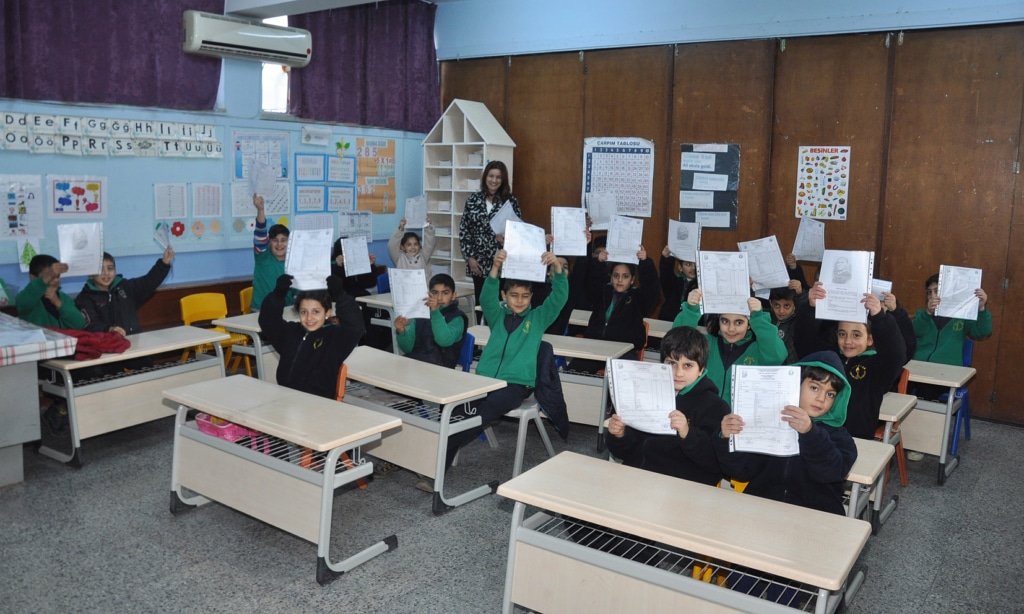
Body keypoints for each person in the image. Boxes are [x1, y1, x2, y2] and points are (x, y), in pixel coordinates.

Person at [444, 248, 567, 469]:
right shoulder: (496, 315)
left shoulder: (537, 319)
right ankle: (440, 459)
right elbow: (486, 298)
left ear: (531, 297)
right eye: (514, 295)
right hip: (486, 380)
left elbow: (559, 298)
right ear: (504, 295)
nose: (519, 300)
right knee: (458, 411)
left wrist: (557, 268)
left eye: (525, 296)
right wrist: (495, 267)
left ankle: (444, 446)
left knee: (483, 412)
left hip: (516, 385)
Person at [717, 350, 858, 516]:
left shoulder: (840, 438)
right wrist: (726, 438)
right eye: (814, 388)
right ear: (795, 384)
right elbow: (740, 471)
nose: (821, 398)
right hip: (763, 509)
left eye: (830, 394)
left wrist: (810, 433)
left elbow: (831, 472)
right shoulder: (768, 422)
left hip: (815, 515)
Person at [606, 326, 729, 485]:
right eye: (671, 363)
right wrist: (619, 435)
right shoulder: (645, 394)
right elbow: (624, 452)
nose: (678, 373)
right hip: (638, 477)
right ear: (662, 364)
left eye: (688, 365)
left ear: (701, 369)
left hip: (680, 486)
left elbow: (715, 464)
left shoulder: (716, 407)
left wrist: (687, 433)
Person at [795, 282, 906, 440]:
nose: (848, 341)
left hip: (857, 438)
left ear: (869, 339)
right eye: (842, 334)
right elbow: (803, 342)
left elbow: (896, 354)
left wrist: (879, 317)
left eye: (856, 335)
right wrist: (810, 308)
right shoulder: (828, 358)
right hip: (817, 432)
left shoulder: (878, 366)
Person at [258, 273, 364, 400]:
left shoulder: (334, 338)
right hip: (286, 398)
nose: (309, 318)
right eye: (304, 312)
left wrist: (340, 295)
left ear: (327, 313)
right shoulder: (290, 332)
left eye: (316, 312)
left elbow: (355, 327)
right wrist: (278, 294)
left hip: (317, 403)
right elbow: (268, 321)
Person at [672, 288, 788, 404]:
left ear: (749, 324)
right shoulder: (706, 343)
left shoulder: (759, 349)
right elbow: (677, 342)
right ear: (718, 321)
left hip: (738, 414)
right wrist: (691, 310)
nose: (731, 329)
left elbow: (778, 356)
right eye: (725, 321)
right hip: (702, 411)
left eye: (739, 322)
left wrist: (758, 317)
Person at [576, 246, 660, 370]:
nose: (620, 280)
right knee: (572, 371)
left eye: (625, 276)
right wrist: (598, 264)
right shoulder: (602, 293)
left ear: (632, 280)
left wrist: (645, 263)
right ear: (611, 277)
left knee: (628, 375)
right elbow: (591, 283)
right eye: (616, 276)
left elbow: (652, 290)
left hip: (624, 352)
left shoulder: (638, 298)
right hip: (595, 347)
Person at [457, 160, 521, 305]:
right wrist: (469, 258)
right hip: (478, 263)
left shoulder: (510, 201)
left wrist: (506, 239)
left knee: (500, 304)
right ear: (485, 177)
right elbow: (464, 231)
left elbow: (517, 231)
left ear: (503, 180)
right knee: (481, 303)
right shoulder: (473, 200)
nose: (494, 180)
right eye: (491, 176)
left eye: (498, 177)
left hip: (501, 262)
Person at [75, 248, 174, 336]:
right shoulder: (84, 298)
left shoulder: (125, 287)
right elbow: (91, 325)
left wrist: (164, 263)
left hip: (134, 341)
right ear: (91, 274)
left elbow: (148, 282)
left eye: (110, 268)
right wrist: (109, 329)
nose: (106, 273)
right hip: (107, 345)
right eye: (100, 270)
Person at [912, 273, 991, 366]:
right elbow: (915, 332)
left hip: (948, 368)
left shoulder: (962, 316)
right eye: (929, 292)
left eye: (936, 291)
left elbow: (982, 333)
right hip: (920, 365)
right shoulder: (922, 314)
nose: (932, 296)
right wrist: (928, 313)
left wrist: (981, 308)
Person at [394, 273, 467, 368]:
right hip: (417, 363)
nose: (439, 298)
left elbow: (443, 341)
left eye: (445, 293)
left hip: (442, 368)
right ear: (428, 294)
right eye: (435, 293)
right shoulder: (421, 314)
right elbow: (407, 349)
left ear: (453, 295)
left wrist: (435, 312)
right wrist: (401, 331)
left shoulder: (457, 318)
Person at [15, 255, 87, 329]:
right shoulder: (26, 297)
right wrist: (46, 278)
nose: (56, 280)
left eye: (57, 276)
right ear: (32, 277)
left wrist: (58, 303)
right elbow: (24, 302)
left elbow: (79, 324)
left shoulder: (64, 298)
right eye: (50, 277)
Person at [250, 193, 294, 311]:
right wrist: (260, 210)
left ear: (289, 242)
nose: (279, 244)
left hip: (287, 311)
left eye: (283, 240)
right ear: (269, 242)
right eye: (275, 240)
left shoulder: (293, 262)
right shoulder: (263, 257)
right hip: (260, 311)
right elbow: (260, 232)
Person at [658, 246, 698, 322]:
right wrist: (666, 258)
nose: (693, 268)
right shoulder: (674, 281)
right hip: (669, 320)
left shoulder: (701, 285)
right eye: (688, 264)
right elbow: (666, 272)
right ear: (680, 267)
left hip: (690, 323)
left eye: (695, 265)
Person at [769, 286, 802, 364]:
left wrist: (801, 294)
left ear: (794, 306)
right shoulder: (766, 319)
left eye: (786, 306)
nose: (781, 311)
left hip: (790, 367)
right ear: (771, 303)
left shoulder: (798, 323)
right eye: (777, 305)